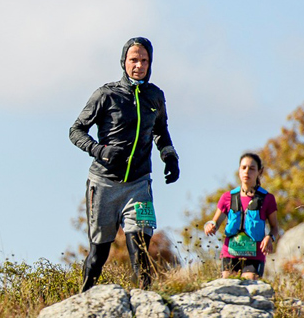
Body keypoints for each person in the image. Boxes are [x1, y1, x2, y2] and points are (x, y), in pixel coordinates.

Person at [69, 36, 179, 291]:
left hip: (139, 185)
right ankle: (83, 299)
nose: (138, 65)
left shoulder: (155, 96)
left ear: (150, 63)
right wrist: (99, 150)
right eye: (133, 60)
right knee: (99, 253)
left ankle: (145, 304)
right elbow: (76, 131)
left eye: (144, 60)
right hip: (104, 185)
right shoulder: (106, 95)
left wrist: (170, 156)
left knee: (140, 247)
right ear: (124, 62)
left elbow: (161, 131)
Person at [202, 151, 281, 278]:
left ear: (259, 172)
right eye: (243, 168)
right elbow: (215, 222)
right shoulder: (227, 197)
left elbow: (275, 227)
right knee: (228, 285)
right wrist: (210, 226)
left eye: (252, 169)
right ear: (239, 170)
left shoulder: (267, 199)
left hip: (255, 256)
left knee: (250, 283)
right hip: (230, 253)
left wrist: (270, 238)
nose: (247, 172)